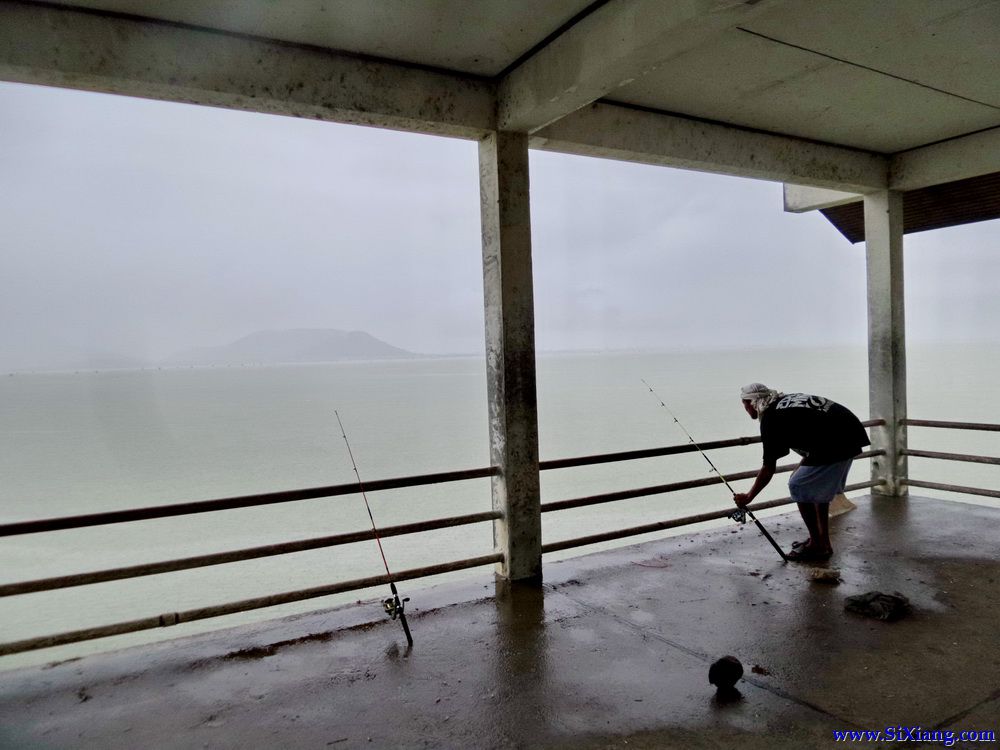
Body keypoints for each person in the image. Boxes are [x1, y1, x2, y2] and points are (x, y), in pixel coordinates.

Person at [733, 383, 870, 562]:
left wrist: (749, 497)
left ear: (752, 402)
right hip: (849, 434)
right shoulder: (783, 403)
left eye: (745, 403)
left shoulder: (770, 419)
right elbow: (812, 432)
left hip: (837, 441)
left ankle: (817, 545)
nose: (745, 408)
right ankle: (822, 542)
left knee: (798, 485)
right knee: (815, 489)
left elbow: (768, 468)